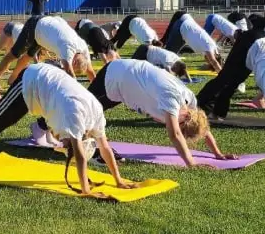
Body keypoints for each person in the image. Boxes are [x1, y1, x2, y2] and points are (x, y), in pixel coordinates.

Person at [0, 62, 137, 197]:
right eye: (66, 145)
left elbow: (105, 149)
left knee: (8, 120)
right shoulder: (75, 117)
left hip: (46, 88)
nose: (62, 143)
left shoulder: (96, 118)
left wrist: (118, 180)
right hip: (33, 78)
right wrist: (86, 190)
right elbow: (81, 156)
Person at [32, 58, 234, 167]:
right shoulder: (172, 99)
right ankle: (41, 126)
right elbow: (175, 135)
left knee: (86, 113)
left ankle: (60, 131)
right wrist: (191, 163)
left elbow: (203, 128)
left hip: (125, 82)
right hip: (115, 79)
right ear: (184, 120)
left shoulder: (191, 103)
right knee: (81, 111)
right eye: (182, 128)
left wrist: (217, 153)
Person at [0, 15, 95, 83]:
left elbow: (91, 72)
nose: (72, 68)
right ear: (74, 61)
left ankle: (12, 78)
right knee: (13, 55)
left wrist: (97, 95)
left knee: (28, 56)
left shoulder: (83, 47)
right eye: (74, 67)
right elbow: (69, 72)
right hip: (35, 26)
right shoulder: (68, 48)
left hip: (45, 31)